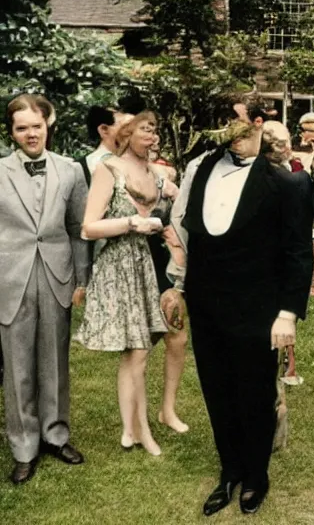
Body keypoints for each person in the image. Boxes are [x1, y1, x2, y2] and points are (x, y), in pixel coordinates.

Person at [169, 118, 314, 515]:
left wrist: (287, 314)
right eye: (221, 122)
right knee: (218, 390)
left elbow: (299, 253)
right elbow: (188, 235)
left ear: (258, 122)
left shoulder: (287, 183)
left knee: (254, 392)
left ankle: (256, 475)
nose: (229, 130)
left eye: (237, 120)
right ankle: (229, 470)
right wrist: (178, 286)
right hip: (206, 302)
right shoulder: (200, 170)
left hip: (259, 307)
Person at [78, 109, 191, 436]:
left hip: (161, 261)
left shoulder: (156, 171)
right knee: (140, 346)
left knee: (178, 334)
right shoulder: (103, 167)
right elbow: (89, 225)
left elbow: (178, 209)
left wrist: (173, 204)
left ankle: (167, 409)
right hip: (127, 262)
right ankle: (134, 424)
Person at [0, 94, 89, 484]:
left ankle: (56, 434)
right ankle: (23, 446)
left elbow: (77, 229)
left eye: (36, 125)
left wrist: (81, 279)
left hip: (57, 276)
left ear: (47, 124)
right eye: (22, 128)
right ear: (12, 132)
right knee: (18, 367)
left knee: (54, 361)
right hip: (10, 279)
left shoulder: (70, 171)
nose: (30, 134)